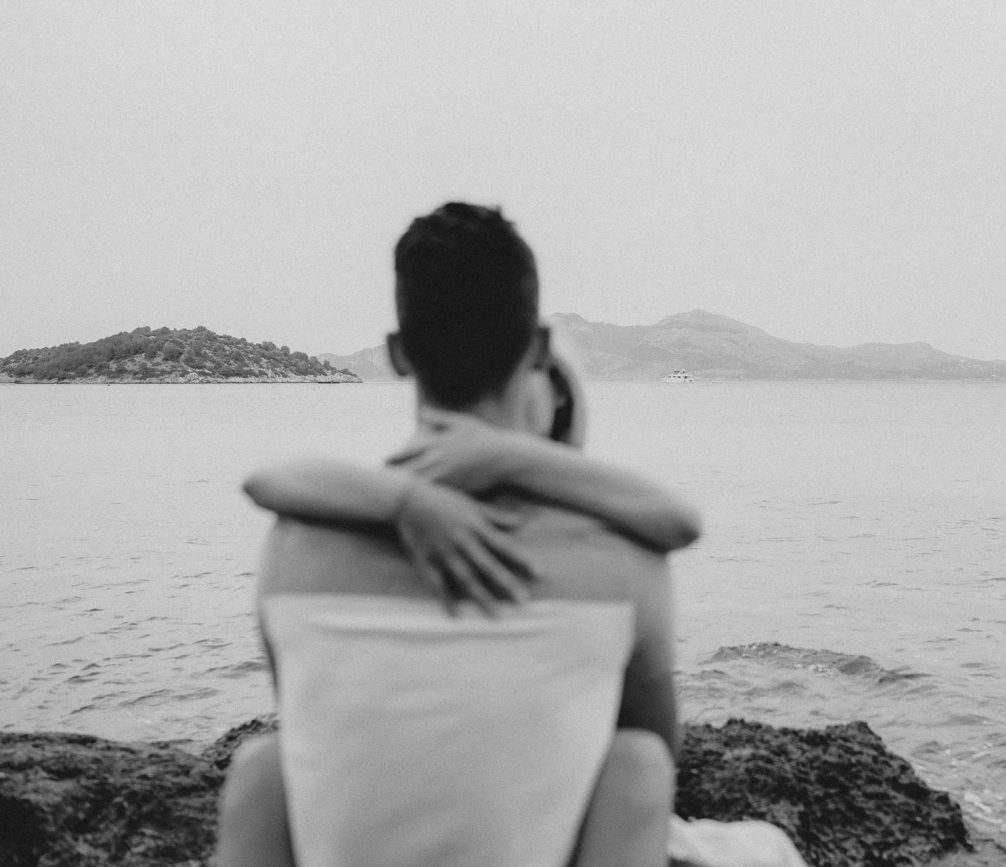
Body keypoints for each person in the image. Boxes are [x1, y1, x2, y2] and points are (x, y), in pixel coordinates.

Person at [218, 203, 688, 867]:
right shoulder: (624, 560)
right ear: (539, 350)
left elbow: (322, 737)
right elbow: (658, 747)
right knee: (638, 762)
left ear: (397, 354)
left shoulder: (292, 552)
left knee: (263, 763)